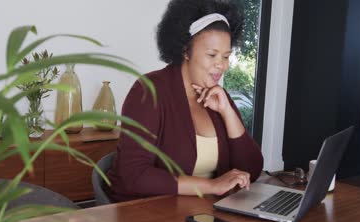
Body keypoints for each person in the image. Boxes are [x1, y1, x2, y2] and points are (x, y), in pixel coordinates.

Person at [107, 0, 263, 202]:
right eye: (212, 54)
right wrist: (212, 186)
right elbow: (134, 176)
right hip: (146, 214)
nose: (221, 65)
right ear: (185, 51)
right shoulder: (148, 91)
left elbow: (251, 170)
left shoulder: (217, 97)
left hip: (200, 211)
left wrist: (227, 112)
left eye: (226, 56)